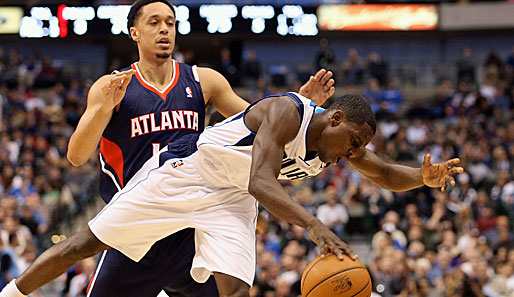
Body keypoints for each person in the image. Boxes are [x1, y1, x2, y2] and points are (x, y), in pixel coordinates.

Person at [0, 93, 464, 297]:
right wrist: (313, 223)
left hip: (232, 200)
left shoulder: (337, 146)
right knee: (88, 242)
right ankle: (13, 293)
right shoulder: (287, 112)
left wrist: (423, 179)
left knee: (235, 287)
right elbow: (262, 181)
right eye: (354, 144)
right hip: (189, 172)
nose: (355, 155)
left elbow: (383, 173)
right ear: (336, 119)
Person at [64, 1, 336, 297]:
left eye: (170, 22)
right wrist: (105, 109)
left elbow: (261, 130)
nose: (164, 28)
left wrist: (298, 106)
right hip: (137, 221)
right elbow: (77, 156)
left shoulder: (203, 80)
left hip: (190, 224)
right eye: (154, 22)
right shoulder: (112, 86)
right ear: (135, 32)